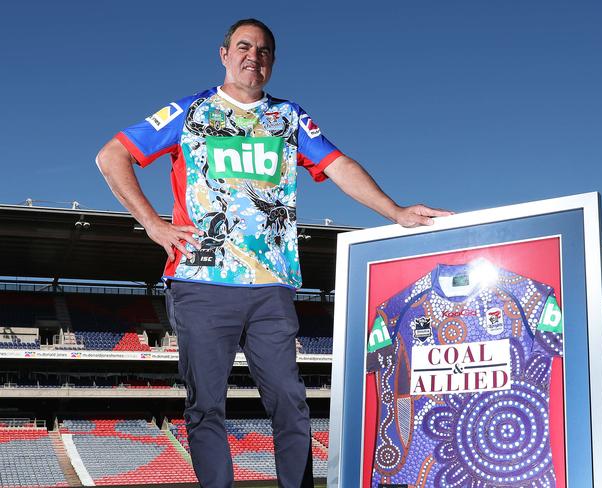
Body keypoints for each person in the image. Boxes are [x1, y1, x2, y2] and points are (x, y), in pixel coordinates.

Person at [96, 18, 451, 488]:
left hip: (270, 286)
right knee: (206, 407)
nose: (253, 56)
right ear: (223, 54)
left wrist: (395, 211)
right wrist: (153, 225)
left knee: (291, 403)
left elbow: (338, 164)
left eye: (264, 50)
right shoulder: (190, 111)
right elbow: (111, 156)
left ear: (272, 62)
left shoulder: (289, 117)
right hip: (201, 283)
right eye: (244, 47)